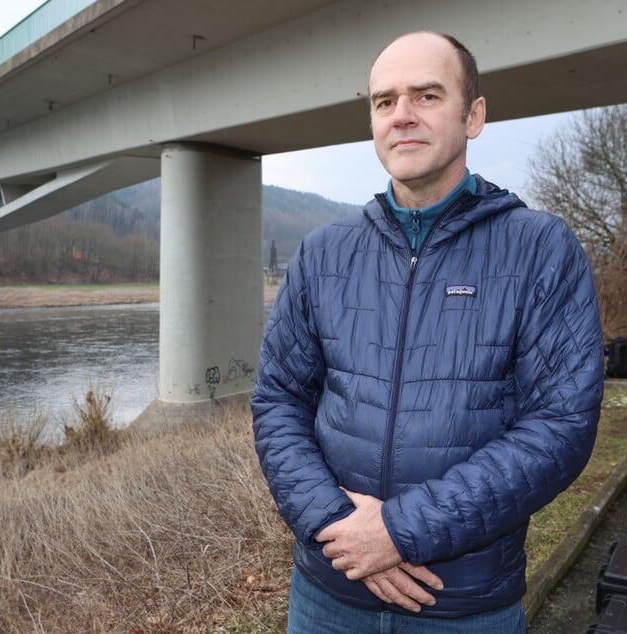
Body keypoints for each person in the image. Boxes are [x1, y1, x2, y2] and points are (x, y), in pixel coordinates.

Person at [251, 31, 605, 633]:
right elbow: (278, 402)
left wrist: (398, 531)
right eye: (385, 101)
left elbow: (561, 426)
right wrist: (339, 526)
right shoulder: (323, 254)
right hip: (328, 595)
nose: (402, 116)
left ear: (474, 116)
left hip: (464, 606)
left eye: (427, 96)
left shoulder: (540, 248)